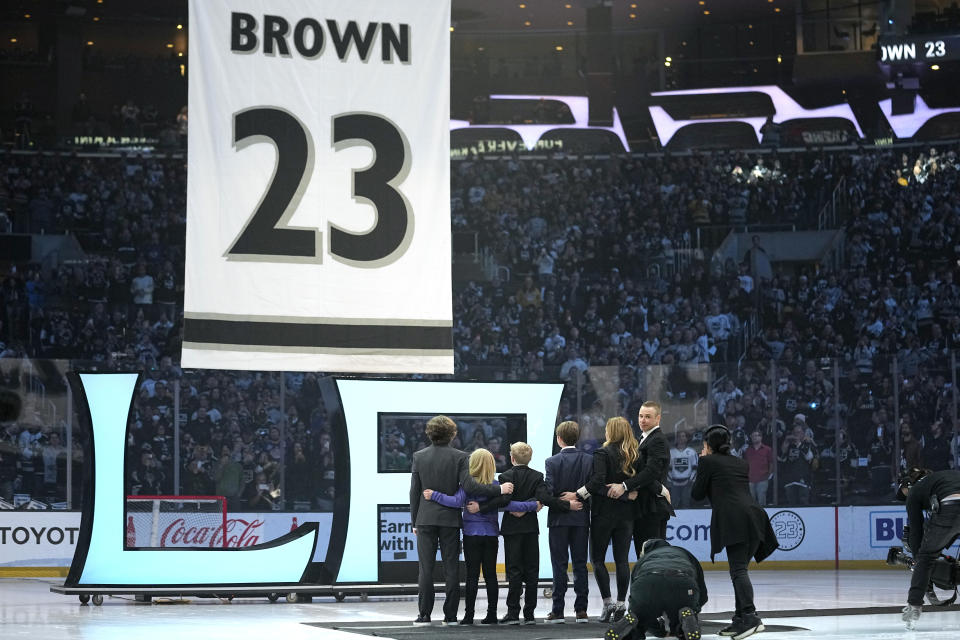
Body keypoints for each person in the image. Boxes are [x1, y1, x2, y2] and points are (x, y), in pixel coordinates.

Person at [409, 415, 513, 626]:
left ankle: (424, 615)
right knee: (451, 568)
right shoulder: (460, 456)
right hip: (450, 520)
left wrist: (414, 521)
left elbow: (414, 492)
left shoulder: (419, 456)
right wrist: (499, 489)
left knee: (426, 569)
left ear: (429, 433)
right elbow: (471, 487)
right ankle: (450, 616)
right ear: (452, 434)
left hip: (425, 519)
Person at [423, 448, 539, 625]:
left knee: (472, 576)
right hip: (491, 536)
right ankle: (491, 615)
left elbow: (455, 502)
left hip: (471, 535)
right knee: (491, 575)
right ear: (492, 465)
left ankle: (469, 616)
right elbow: (511, 505)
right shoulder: (496, 487)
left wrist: (434, 495)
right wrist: (533, 505)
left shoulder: (467, 486)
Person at [691, 425, 778, 640]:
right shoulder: (740, 462)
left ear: (708, 445)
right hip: (755, 516)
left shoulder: (707, 461)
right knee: (738, 569)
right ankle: (740, 619)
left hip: (735, 519)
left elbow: (697, 494)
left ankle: (750, 616)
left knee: (738, 570)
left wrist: (702, 462)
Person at [574, 416, 640, 623]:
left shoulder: (601, 453)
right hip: (626, 514)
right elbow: (635, 485)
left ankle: (608, 603)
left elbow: (597, 483)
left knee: (597, 559)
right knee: (622, 560)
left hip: (603, 514)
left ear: (611, 432)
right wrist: (623, 494)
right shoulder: (634, 455)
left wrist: (577, 494)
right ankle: (621, 605)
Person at [487, 442, 546, 625]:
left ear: (512, 458)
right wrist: (527, 508)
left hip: (512, 529)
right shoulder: (537, 476)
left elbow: (503, 501)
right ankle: (529, 614)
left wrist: (518, 508)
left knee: (514, 570)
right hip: (530, 527)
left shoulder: (506, 475)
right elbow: (540, 500)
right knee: (531, 570)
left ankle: (513, 612)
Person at [605, 538, 707, 640]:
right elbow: (702, 592)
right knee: (686, 612)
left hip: (647, 582)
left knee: (640, 616)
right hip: (683, 582)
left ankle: (632, 625)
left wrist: (659, 632)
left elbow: (634, 593)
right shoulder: (683, 552)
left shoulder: (643, 560)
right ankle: (683, 626)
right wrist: (695, 608)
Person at [540, 420, 591, 623]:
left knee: (559, 565)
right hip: (580, 518)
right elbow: (592, 488)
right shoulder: (588, 460)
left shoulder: (552, 462)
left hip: (559, 520)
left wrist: (566, 504)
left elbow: (549, 494)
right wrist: (577, 499)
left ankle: (558, 610)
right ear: (576, 438)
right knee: (580, 564)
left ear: (559, 439)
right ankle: (581, 611)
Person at [898, 467, 960, 629]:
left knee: (927, 557)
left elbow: (916, 531)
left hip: (950, 505)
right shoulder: (944, 477)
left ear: (909, 485)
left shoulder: (914, 491)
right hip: (951, 500)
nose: (905, 496)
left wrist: (919, 559)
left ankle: (914, 606)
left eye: (904, 492)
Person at [609, 401, 673, 556]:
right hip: (645, 505)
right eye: (640, 416)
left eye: (647, 417)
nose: (643, 420)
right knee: (644, 554)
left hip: (652, 506)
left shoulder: (657, 440)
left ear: (658, 419)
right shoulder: (643, 438)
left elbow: (651, 472)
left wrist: (624, 485)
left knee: (651, 556)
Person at [666, 430, 698, 509]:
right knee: (673, 505)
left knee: (686, 504)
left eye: (683, 436)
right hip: (674, 484)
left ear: (686, 438)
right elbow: (668, 469)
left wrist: (691, 480)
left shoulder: (691, 452)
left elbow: (695, 468)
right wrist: (671, 480)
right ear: (676, 439)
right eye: (679, 436)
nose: (681, 438)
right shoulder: (671, 452)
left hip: (687, 483)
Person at [743, 430, 773, 506]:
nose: (754, 438)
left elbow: (771, 463)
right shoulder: (747, 450)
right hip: (750, 480)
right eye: (753, 436)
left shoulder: (767, 449)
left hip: (762, 479)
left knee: (762, 502)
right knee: (751, 502)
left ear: (761, 437)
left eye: (756, 435)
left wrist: (768, 475)